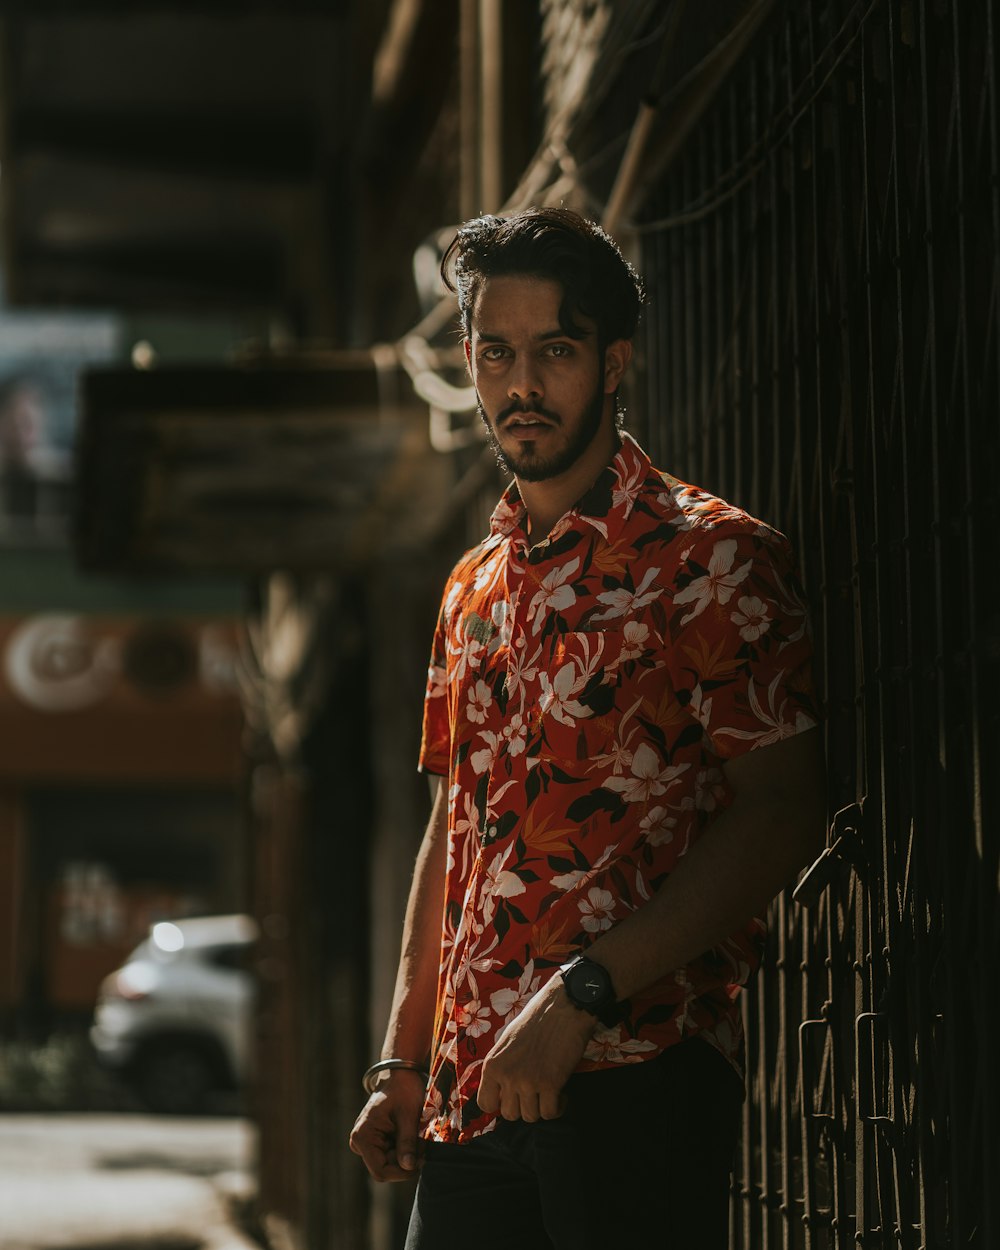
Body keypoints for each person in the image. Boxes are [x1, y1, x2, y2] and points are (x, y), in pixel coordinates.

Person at [350, 207, 825, 1249]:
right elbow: (452, 833)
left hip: (636, 1078)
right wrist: (401, 1056)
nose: (520, 386)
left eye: (553, 351)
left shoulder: (714, 561)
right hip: (469, 1095)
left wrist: (583, 993)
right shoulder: (470, 586)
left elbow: (782, 810)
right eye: (496, 353)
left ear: (613, 362)